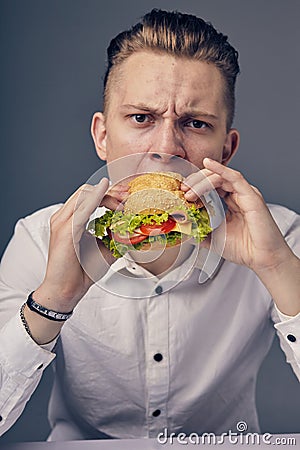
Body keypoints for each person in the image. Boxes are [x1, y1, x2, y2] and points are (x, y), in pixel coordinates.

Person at [0, 9, 299, 441]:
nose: (165, 148)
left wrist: (275, 266)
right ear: (103, 136)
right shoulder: (39, 238)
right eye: (142, 118)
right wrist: (55, 297)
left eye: (195, 124)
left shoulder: (279, 237)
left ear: (226, 149)